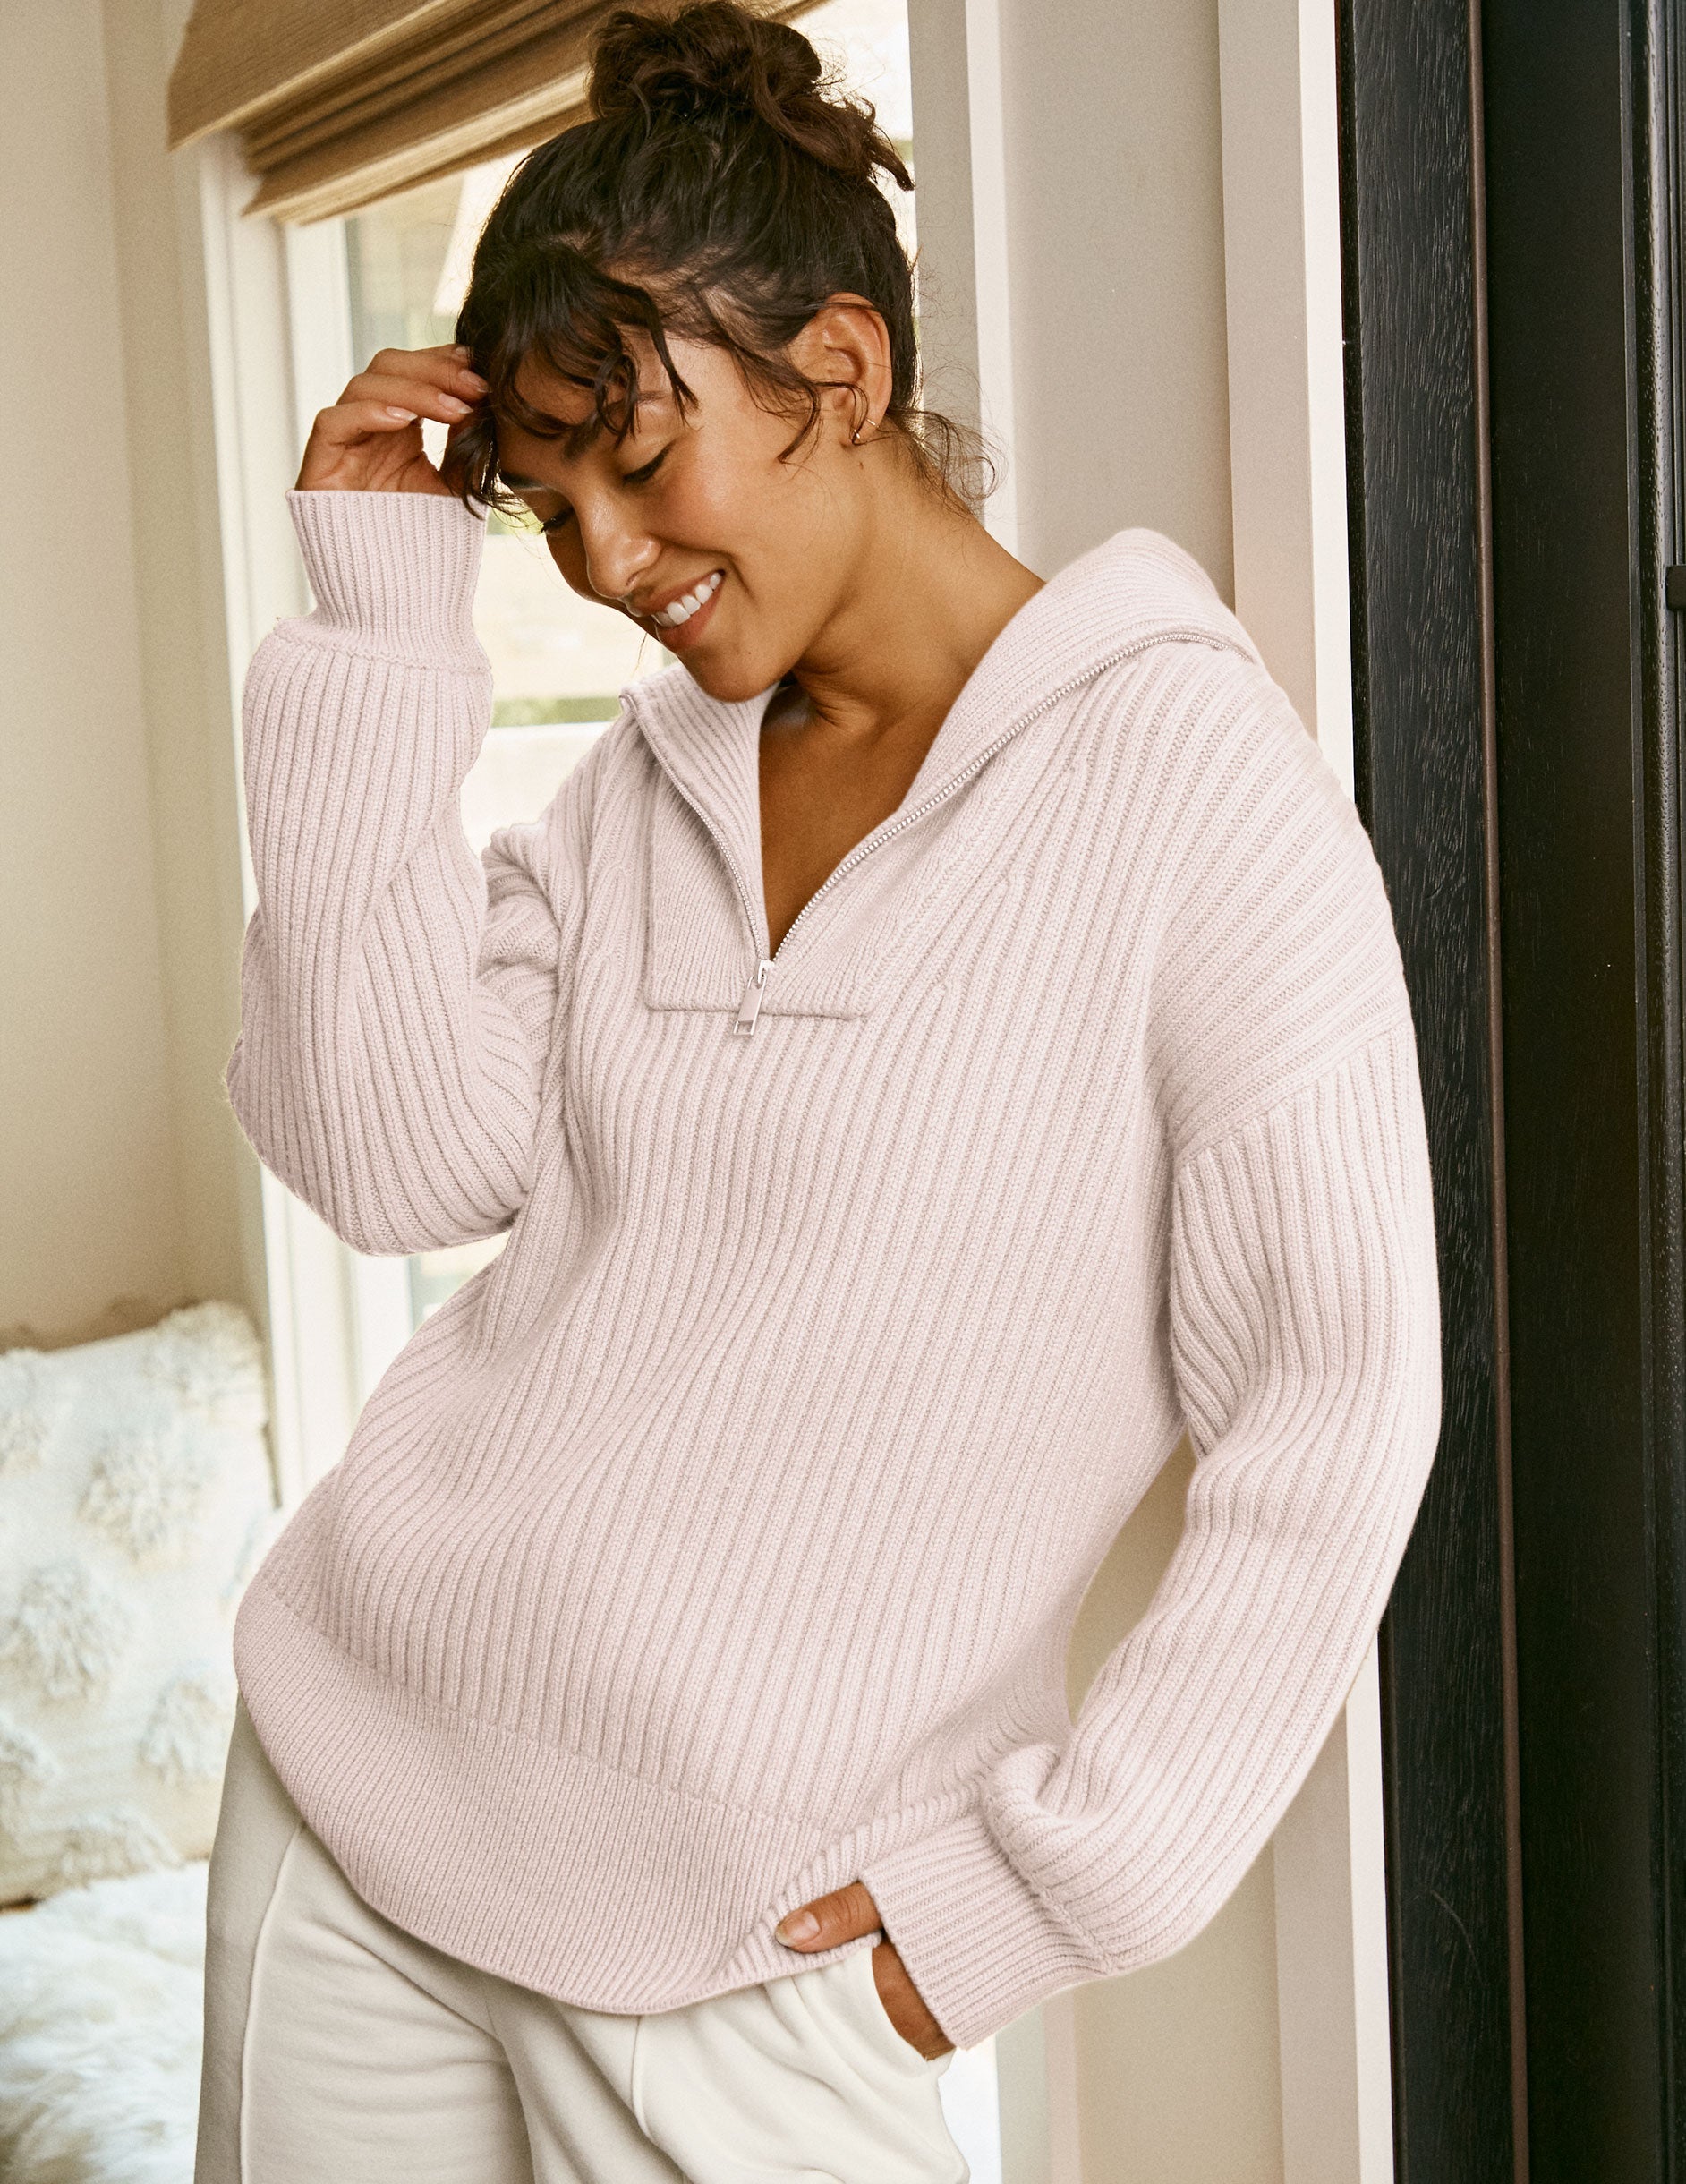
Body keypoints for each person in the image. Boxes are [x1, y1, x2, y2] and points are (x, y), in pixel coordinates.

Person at [194, 3, 1444, 2178]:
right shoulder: (630, 789)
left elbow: (1337, 1408)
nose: (594, 555)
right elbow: (390, 1152)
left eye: (636, 457)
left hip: (753, 1935)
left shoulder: (1192, 794)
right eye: (546, 492)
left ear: (840, 373)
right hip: (352, 1784)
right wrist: (378, 628)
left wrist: (1030, 1897)